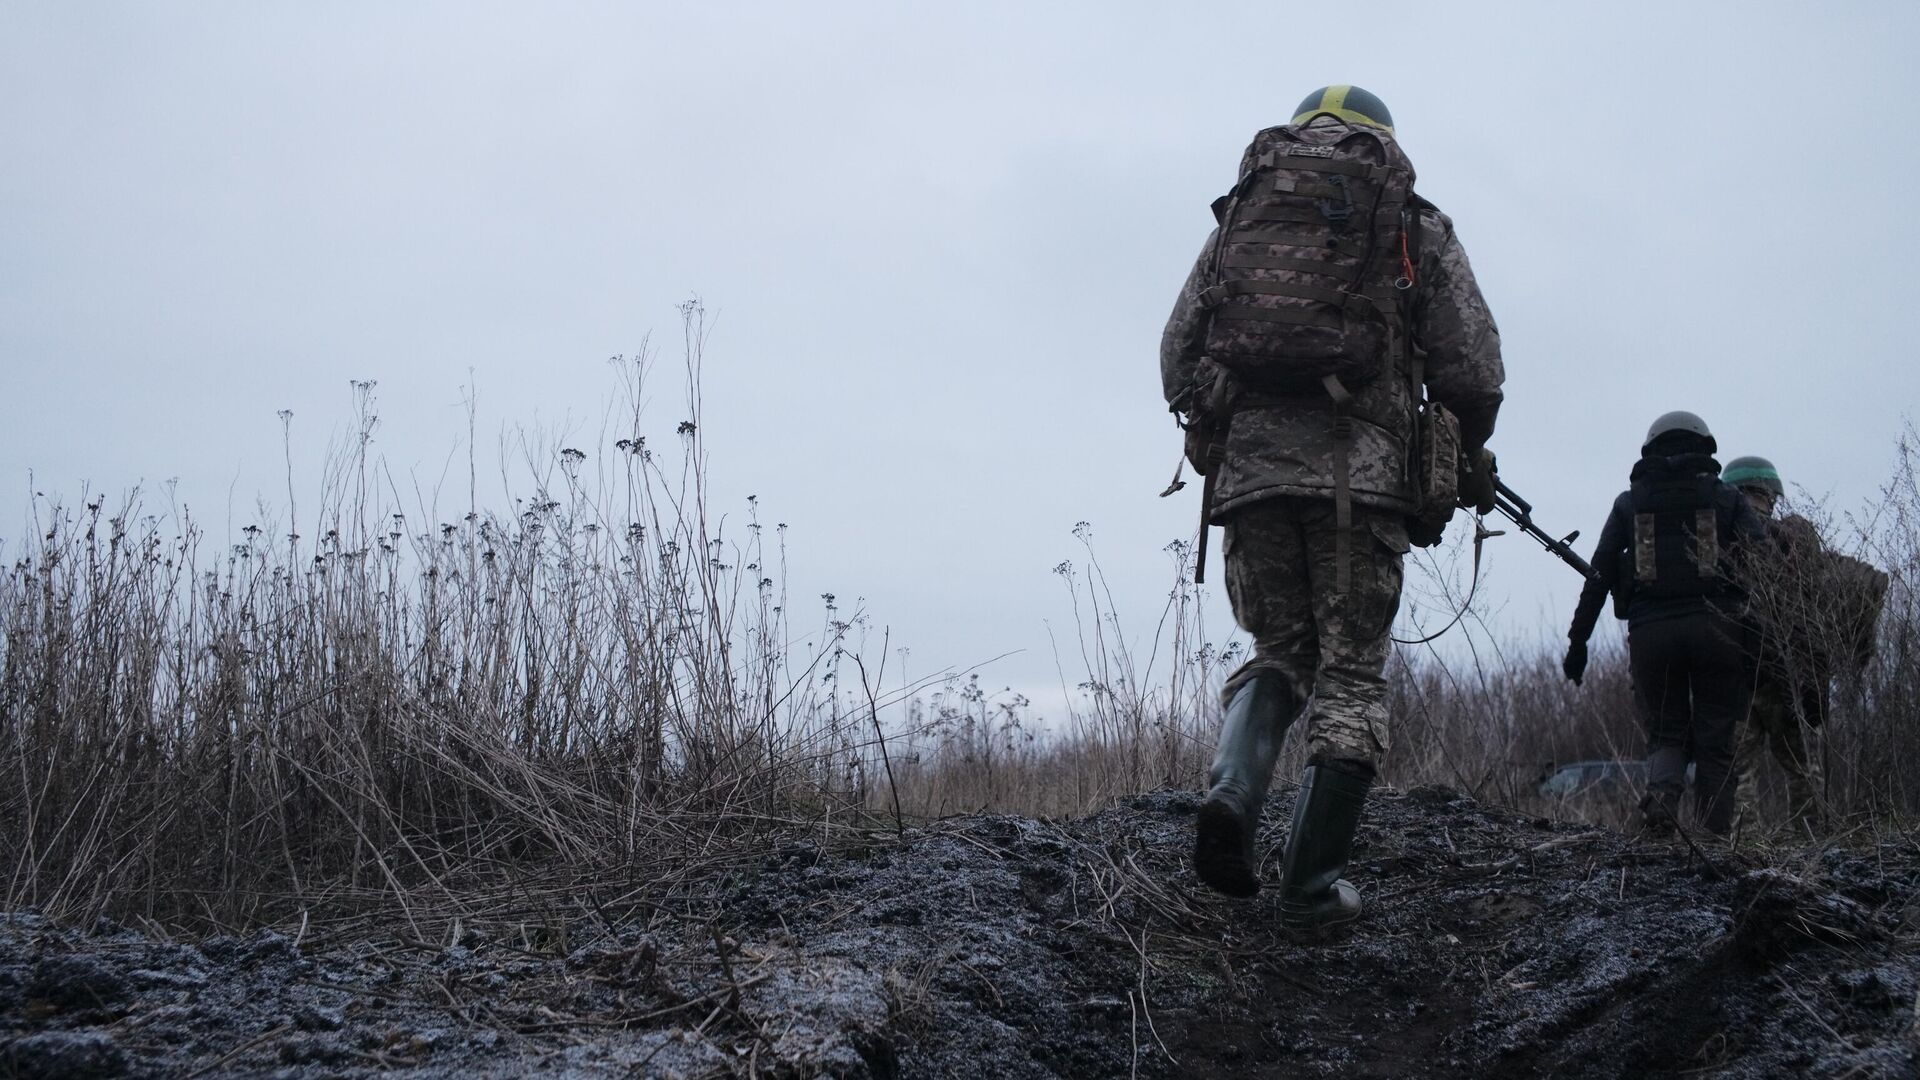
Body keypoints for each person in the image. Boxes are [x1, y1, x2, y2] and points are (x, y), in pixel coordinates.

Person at [1163, 85, 1505, 927]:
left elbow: (1177, 355)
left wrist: (1226, 424)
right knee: (1351, 675)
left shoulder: (1240, 220)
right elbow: (1473, 371)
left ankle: (1233, 797)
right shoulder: (1413, 226)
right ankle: (1310, 889)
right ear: (1381, 143)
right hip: (1362, 480)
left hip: (1251, 478)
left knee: (1279, 650)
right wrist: (1458, 449)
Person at [1562, 413, 1768, 837]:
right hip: (1719, 633)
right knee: (1715, 742)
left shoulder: (1628, 503)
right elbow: (1769, 570)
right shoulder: (1728, 499)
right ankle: (1711, 841)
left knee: (1666, 735)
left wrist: (1578, 644)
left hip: (1652, 636)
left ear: (1651, 449)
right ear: (1704, 448)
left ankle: (1660, 822)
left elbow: (1598, 579)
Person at [1721, 455, 1827, 834]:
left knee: (1739, 774)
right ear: (1769, 496)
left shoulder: (1720, 543)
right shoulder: (1794, 542)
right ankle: (1813, 846)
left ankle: (1744, 854)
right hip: (1787, 674)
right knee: (1802, 771)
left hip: (1736, 674)